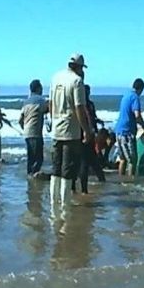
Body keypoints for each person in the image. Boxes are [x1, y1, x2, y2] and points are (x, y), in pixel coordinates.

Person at [49, 53, 93, 208]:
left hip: (56, 128)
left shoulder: (56, 77)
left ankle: (54, 202)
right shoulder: (77, 81)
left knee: (56, 167)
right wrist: (86, 130)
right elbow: (79, 108)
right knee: (68, 168)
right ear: (78, 67)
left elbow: (50, 103)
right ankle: (65, 204)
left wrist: (52, 120)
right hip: (70, 131)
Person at [113, 78, 144, 177]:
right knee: (132, 160)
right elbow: (137, 115)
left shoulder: (126, 95)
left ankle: (121, 181)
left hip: (118, 130)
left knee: (123, 159)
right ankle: (130, 183)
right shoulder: (135, 97)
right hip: (127, 132)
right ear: (141, 89)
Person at [76, 84, 106, 192]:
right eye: (86, 92)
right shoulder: (80, 105)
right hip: (83, 135)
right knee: (86, 161)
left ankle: (101, 182)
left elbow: (92, 117)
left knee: (92, 160)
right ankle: (83, 189)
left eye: (89, 92)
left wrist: (97, 123)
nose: (88, 94)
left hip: (91, 134)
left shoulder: (90, 104)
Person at [20, 79, 48, 176]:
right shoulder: (40, 100)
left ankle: (30, 175)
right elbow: (47, 109)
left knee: (30, 157)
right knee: (39, 158)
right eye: (41, 88)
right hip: (36, 133)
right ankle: (34, 176)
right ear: (38, 88)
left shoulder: (25, 102)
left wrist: (24, 128)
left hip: (27, 133)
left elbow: (20, 120)